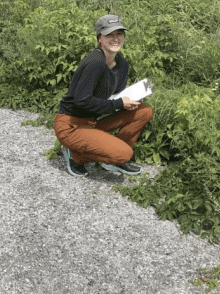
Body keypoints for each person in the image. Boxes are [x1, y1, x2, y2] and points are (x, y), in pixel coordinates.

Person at [54, 14, 153, 177]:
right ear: (100, 38)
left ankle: (114, 158)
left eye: (119, 34)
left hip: (93, 121)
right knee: (125, 153)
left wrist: (130, 99)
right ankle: (76, 155)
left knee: (144, 111)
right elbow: (81, 101)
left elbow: (114, 96)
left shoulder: (122, 64)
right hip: (72, 126)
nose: (115, 39)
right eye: (109, 35)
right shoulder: (95, 63)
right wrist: (119, 104)